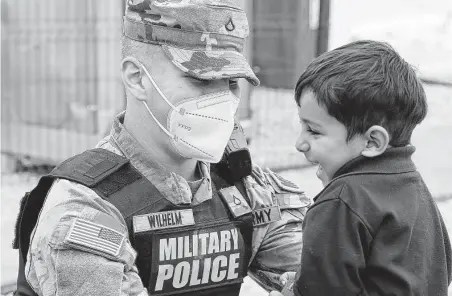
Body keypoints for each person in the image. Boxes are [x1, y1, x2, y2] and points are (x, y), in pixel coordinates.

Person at [13, 0, 310, 295]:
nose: (223, 99)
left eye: (231, 82)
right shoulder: (84, 207)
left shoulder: (246, 188)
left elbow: (327, 275)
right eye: (201, 80)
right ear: (137, 78)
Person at [271, 40, 452, 296]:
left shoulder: (341, 201)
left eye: (314, 131)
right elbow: (440, 272)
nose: (300, 144)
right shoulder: (415, 189)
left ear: (372, 141)